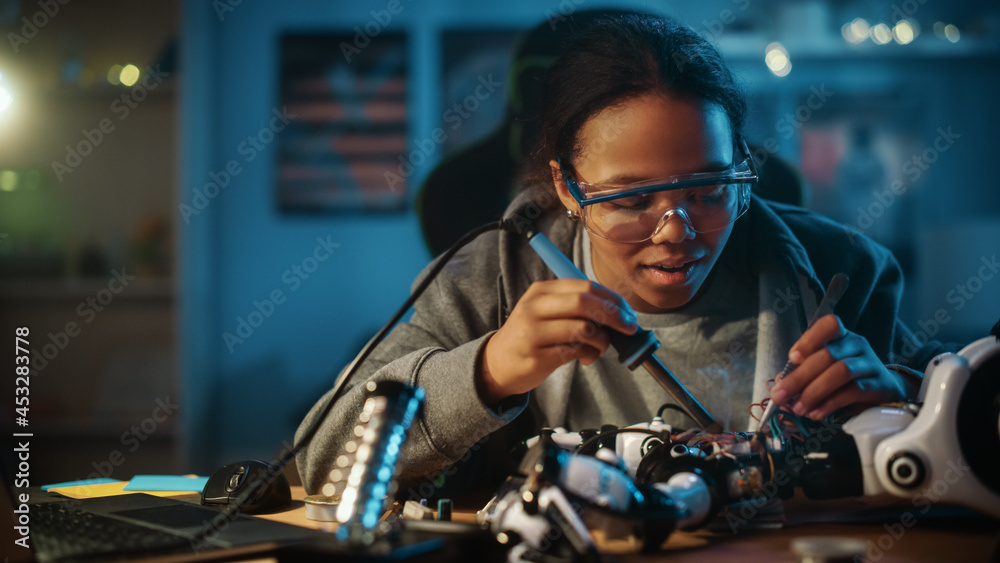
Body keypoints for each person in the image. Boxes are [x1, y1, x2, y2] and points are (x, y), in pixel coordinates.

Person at [295, 14, 945, 500]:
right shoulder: (487, 278)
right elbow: (321, 460)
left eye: (709, 190)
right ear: (566, 188)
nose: (675, 232)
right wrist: (487, 371)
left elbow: (961, 453)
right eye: (633, 200)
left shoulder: (842, 270)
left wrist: (905, 408)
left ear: (744, 170)